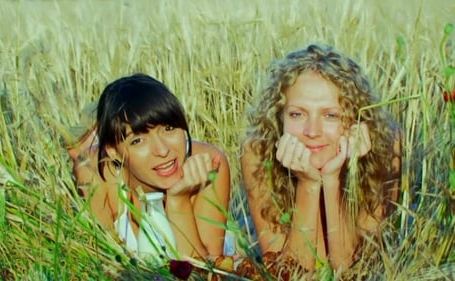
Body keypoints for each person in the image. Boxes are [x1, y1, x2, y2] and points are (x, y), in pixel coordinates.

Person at [240, 44, 401, 271]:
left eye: (331, 115)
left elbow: (352, 268)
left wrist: (333, 179)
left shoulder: (385, 145)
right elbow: (289, 271)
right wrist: (308, 183)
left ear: (355, 119)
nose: (312, 131)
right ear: (279, 118)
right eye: (297, 114)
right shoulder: (257, 152)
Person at [67, 73, 231, 259]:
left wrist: (179, 202)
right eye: (138, 140)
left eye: (169, 129)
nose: (162, 150)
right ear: (113, 151)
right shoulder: (96, 173)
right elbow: (99, 265)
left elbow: (203, 274)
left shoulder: (209, 164)